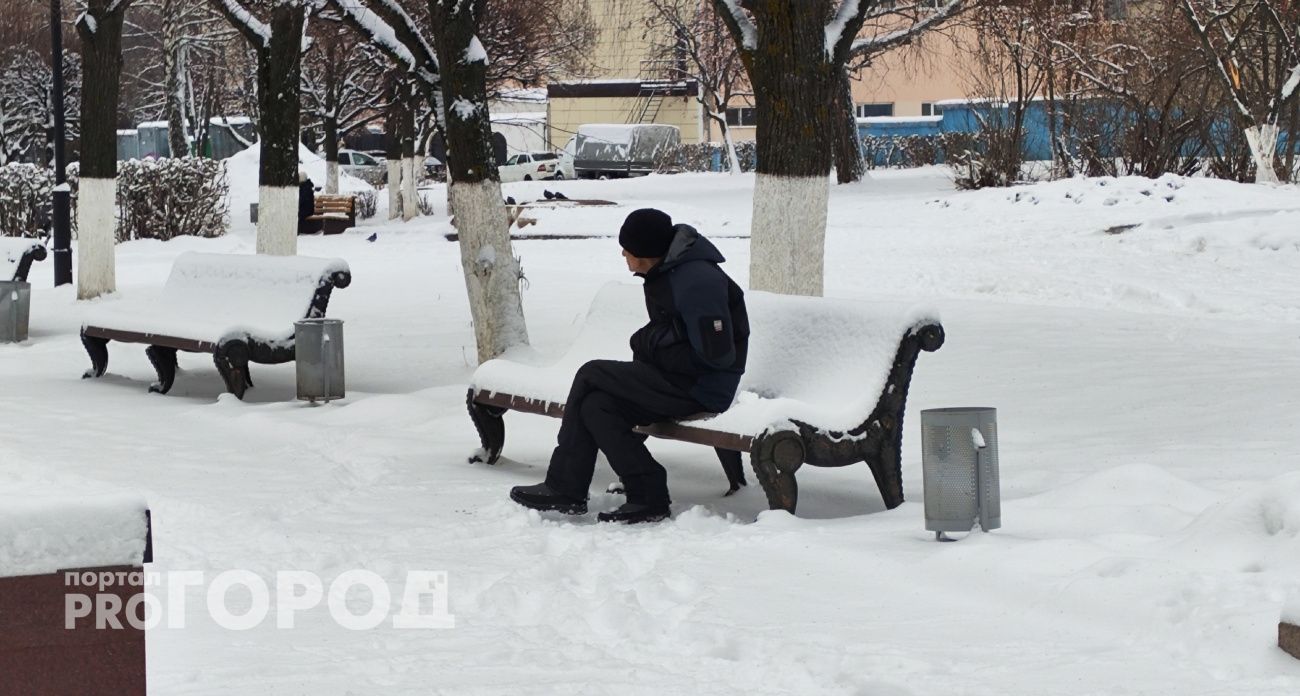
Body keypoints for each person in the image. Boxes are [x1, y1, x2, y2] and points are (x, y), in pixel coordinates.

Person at [510, 208, 749, 524]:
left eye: (628, 248)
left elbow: (716, 356)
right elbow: (676, 332)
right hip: (678, 379)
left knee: (591, 373)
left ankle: (566, 486)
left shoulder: (696, 282)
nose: (623, 253)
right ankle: (648, 493)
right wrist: (655, 341)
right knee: (597, 406)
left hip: (703, 387)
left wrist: (653, 345)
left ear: (646, 252)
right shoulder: (669, 270)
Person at [297, 169, 319, 235]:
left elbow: (302, 199)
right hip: (305, 209)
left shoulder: (306, 187)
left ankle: (297, 231)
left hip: (307, 210)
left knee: (296, 215)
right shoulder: (304, 186)